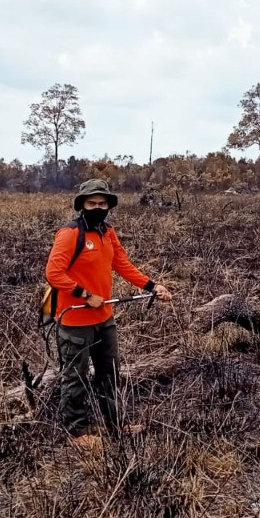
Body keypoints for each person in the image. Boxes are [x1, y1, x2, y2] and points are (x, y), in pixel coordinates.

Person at [45, 179, 172, 446]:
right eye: (92, 203)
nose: (98, 207)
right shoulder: (69, 234)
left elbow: (122, 264)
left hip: (105, 318)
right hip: (75, 319)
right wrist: (86, 295)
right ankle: (77, 432)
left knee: (110, 373)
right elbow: (53, 273)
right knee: (75, 377)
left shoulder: (107, 232)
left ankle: (115, 423)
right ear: (82, 205)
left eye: (102, 203)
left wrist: (152, 286)